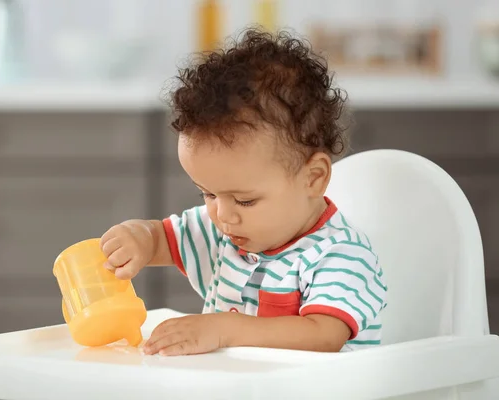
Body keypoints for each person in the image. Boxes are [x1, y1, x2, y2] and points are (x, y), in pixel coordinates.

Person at [100, 28, 387, 356]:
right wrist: (138, 238)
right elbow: (161, 239)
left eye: (245, 200)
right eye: (207, 194)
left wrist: (223, 329)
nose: (222, 215)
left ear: (313, 178)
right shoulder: (228, 230)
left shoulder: (339, 255)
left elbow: (323, 335)